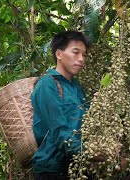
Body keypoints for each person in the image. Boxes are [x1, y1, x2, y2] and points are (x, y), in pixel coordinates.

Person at [31, 30, 90, 179]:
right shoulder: (47, 85)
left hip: (76, 165)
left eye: (84, 54)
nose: (81, 59)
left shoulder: (76, 87)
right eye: (75, 52)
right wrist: (90, 153)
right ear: (59, 54)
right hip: (52, 169)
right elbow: (59, 131)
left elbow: (84, 124)